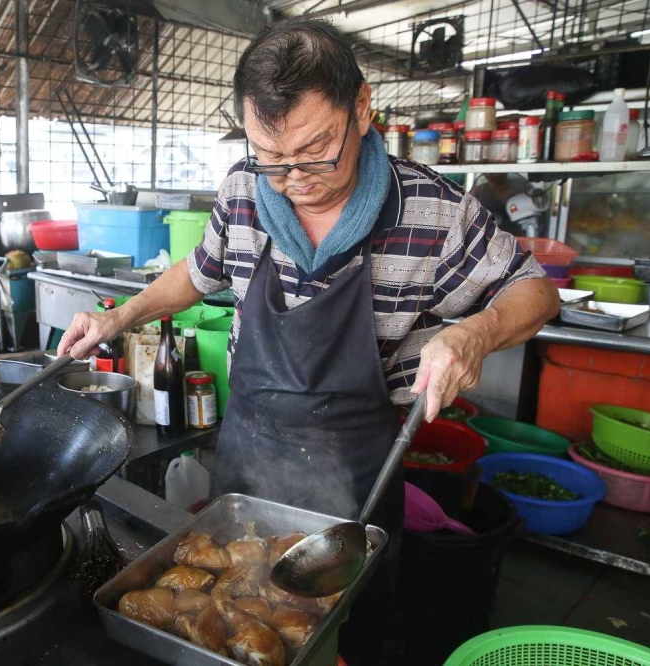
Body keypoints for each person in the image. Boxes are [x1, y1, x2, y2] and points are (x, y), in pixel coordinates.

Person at [58, 16, 559, 665]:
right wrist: (122, 316)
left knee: (349, 635)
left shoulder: (433, 211)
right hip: (249, 458)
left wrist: (475, 332)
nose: (296, 179)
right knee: (226, 623)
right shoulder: (243, 189)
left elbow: (533, 289)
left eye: (317, 151)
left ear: (362, 108)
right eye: (274, 161)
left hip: (356, 483)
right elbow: (202, 268)